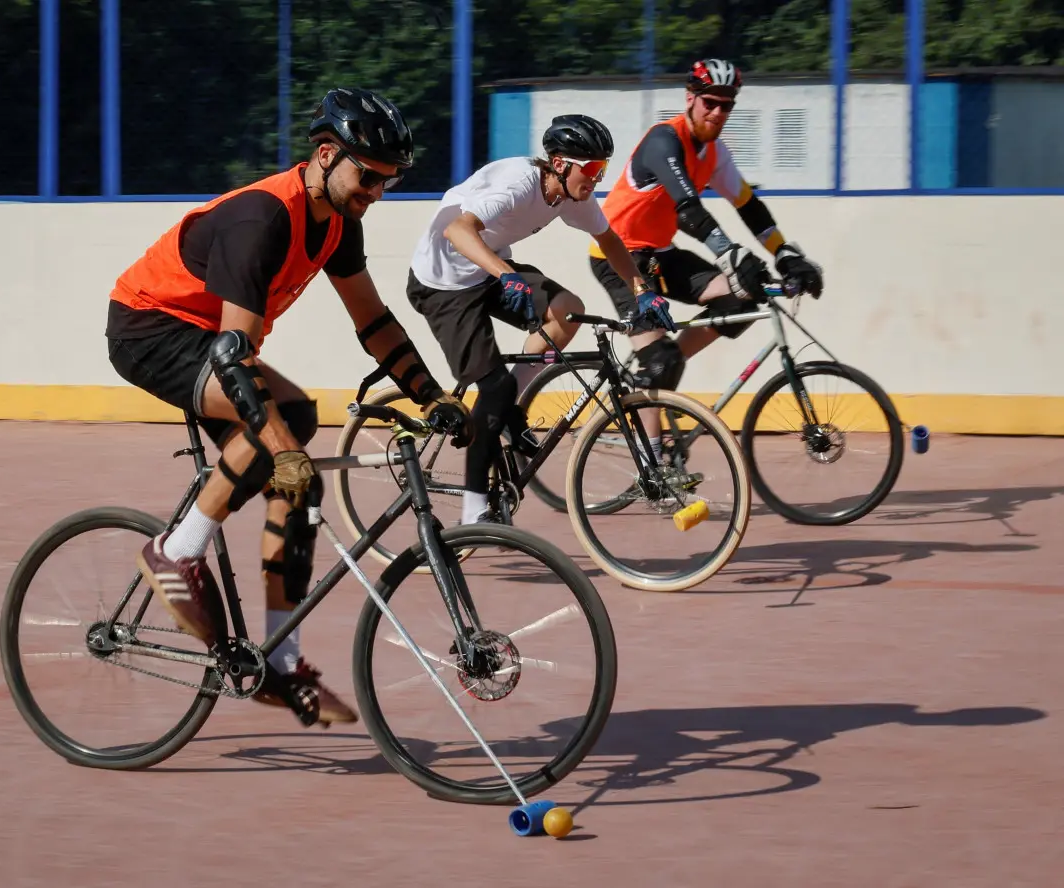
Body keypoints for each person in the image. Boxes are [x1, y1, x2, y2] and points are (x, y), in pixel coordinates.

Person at [104, 87, 472, 728]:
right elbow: (232, 356)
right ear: (327, 155)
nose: (378, 192)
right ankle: (176, 551)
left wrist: (432, 394)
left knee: (297, 477)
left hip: (213, 345)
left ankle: (281, 660)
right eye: (370, 176)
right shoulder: (263, 218)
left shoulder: (338, 224)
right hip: (149, 329)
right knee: (285, 430)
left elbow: (375, 321)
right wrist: (281, 451)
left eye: (390, 181)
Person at [406, 114, 677, 527]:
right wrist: (506, 274)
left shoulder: (573, 197)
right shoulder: (518, 184)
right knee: (491, 387)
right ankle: (474, 509)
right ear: (561, 164)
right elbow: (458, 232)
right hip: (442, 284)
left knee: (566, 311)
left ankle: (507, 406)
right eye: (591, 169)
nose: (598, 178)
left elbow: (608, 240)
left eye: (603, 168)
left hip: (488, 270)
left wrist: (642, 290)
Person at [588, 58, 824, 394]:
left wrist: (784, 254)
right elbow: (688, 210)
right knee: (662, 362)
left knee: (741, 298)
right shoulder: (664, 140)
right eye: (709, 102)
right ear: (690, 98)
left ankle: (657, 370)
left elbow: (749, 207)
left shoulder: (715, 153)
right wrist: (730, 254)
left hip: (660, 254)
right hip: (617, 255)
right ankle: (652, 433)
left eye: (725, 106)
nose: (716, 112)